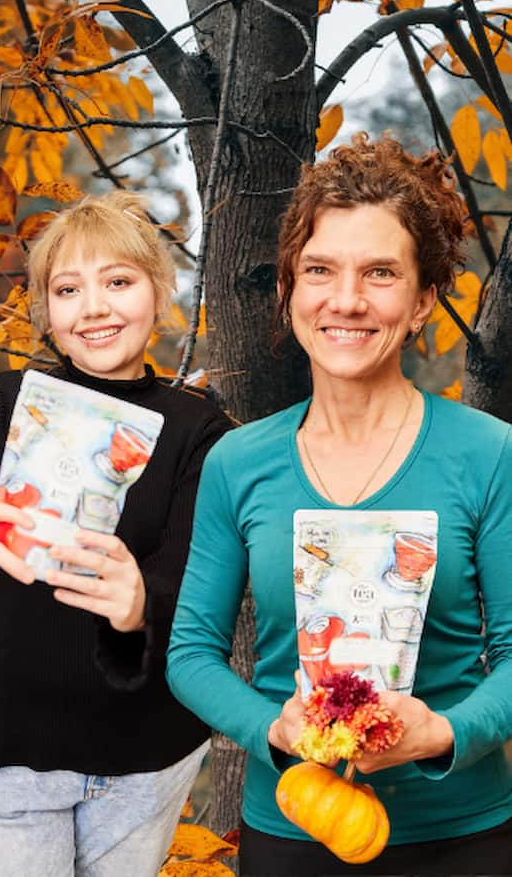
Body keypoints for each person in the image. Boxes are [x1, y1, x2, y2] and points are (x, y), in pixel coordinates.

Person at [167, 134, 512, 875]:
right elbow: (190, 654)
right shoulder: (238, 463)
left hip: (461, 838)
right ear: (290, 288)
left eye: (380, 273)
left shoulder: (489, 455)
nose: (347, 299)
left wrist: (444, 733)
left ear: (422, 302)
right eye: (320, 270)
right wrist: (277, 728)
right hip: (292, 833)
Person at [0, 191, 233, 877]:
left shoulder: (201, 430)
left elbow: (202, 575)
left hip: (143, 757)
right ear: (46, 312)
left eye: (119, 282)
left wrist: (143, 602)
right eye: (68, 290)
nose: (94, 308)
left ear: (159, 294)